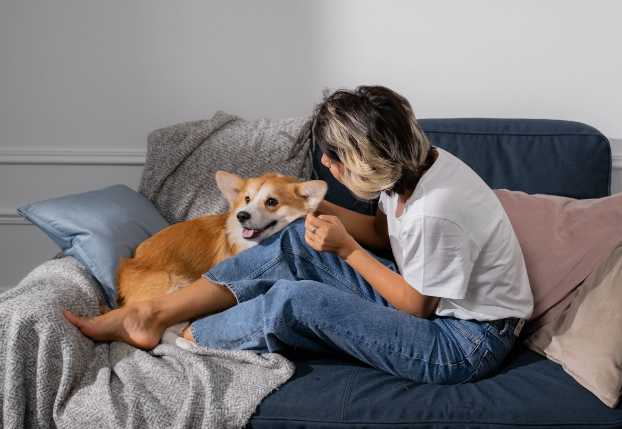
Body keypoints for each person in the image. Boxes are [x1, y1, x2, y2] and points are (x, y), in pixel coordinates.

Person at [64, 85, 534, 384]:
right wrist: (304, 206)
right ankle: (150, 313)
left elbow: (417, 306)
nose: (327, 166)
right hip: (434, 311)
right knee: (291, 241)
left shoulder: (439, 210)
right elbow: (384, 235)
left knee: (298, 300)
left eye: (334, 160)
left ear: (366, 158)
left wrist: (345, 250)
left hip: (461, 344)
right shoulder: (408, 167)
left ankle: (185, 336)